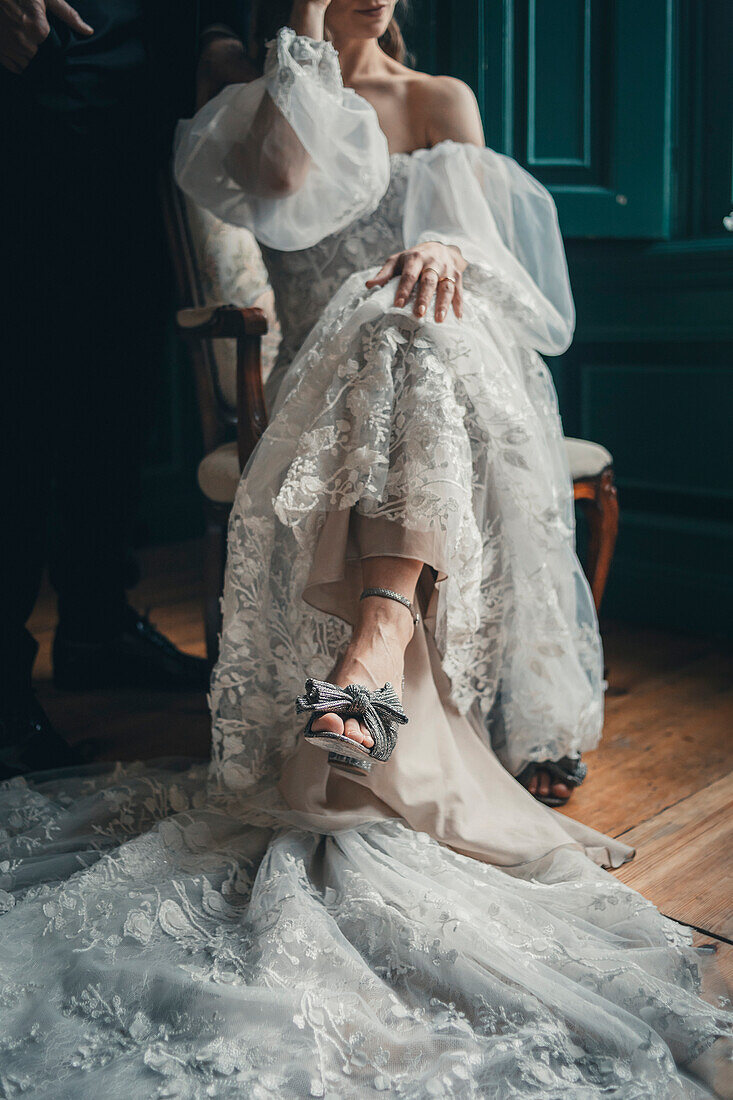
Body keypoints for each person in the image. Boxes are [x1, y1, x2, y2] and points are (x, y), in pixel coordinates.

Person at [0, 2, 730, 1095]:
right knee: (379, 317)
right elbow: (287, 196)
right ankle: (381, 633)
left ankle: (376, 638)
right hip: (319, 392)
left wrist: (447, 250)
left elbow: (510, 288)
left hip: (463, 373)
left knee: (415, 317)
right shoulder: (246, 92)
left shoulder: (443, 103)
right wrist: (302, 40)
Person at [0, 0, 253, 779]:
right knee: (19, 415)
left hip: (140, 126)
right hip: (30, 98)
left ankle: (96, 630)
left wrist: (210, 34)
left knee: (116, 397)